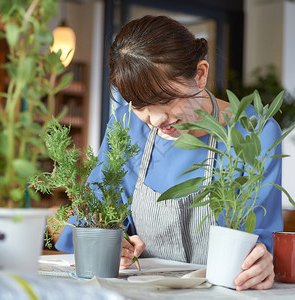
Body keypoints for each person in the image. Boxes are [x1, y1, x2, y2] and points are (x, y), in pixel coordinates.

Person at [56, 15, 283, 291]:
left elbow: (262, 240)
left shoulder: (255, 131)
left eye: (164, 100)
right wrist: (112, 245)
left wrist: (260, 263)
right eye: (139, 105)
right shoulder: (127, 125)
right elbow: (91, 218)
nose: (154, 119)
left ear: (199, 74)